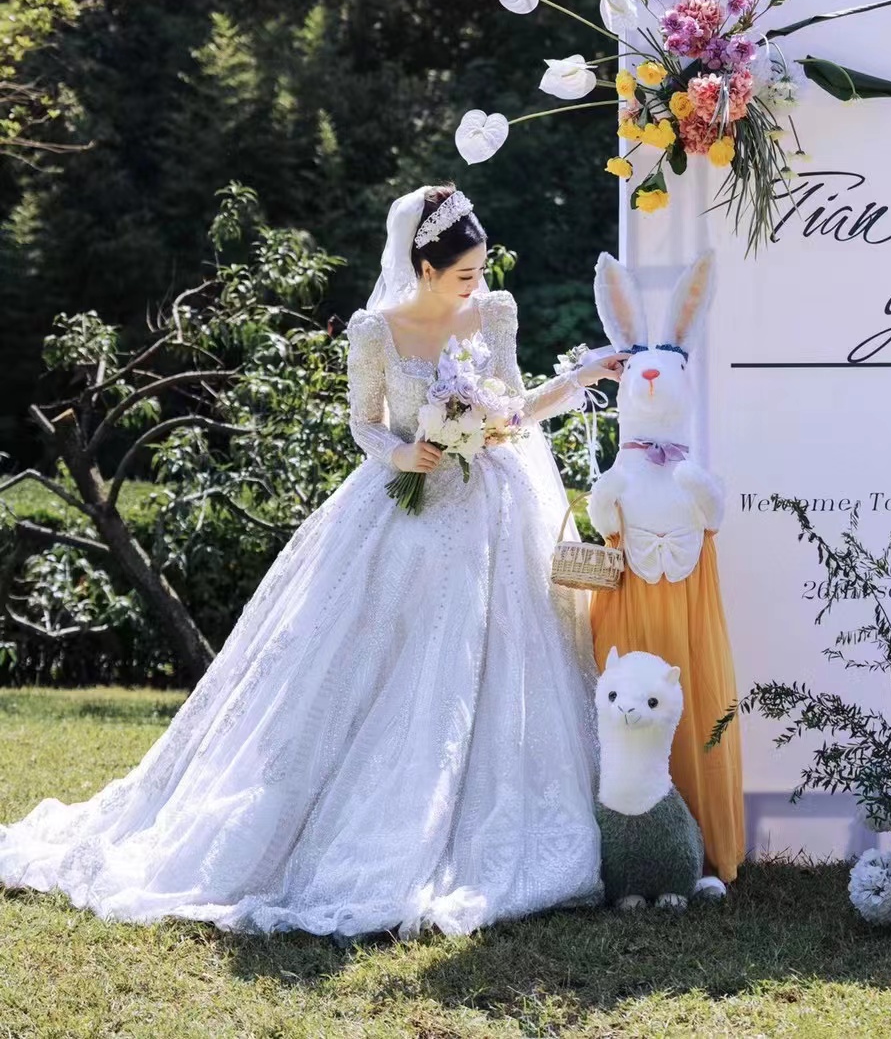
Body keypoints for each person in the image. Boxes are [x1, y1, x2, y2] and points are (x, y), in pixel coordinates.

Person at [0, 184, 626, 938]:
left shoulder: (493, 314)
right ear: (424, 268)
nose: (477, 283)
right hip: (407, 508)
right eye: (464, 273)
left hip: (493, 511)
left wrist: (583, 377)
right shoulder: (376, 331)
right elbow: (364, 423)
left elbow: (515, 409)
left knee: (503, 658)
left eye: (481, 269)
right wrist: (404, 452)